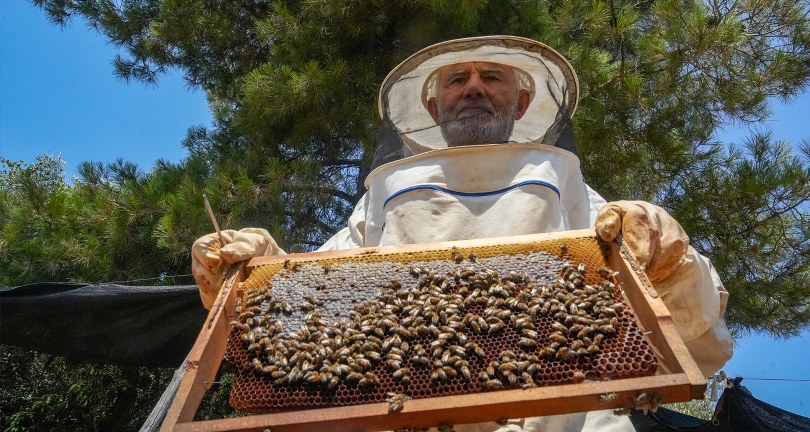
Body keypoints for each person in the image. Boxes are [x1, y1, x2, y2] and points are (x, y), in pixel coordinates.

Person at [192, 36, 733, 432]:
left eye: (492, 76)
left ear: (522, 102)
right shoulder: (385, 194)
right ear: (434, 106)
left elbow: (694, 329)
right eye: (457, 79)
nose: (474, 87)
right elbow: (317, 295)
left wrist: (668, 261)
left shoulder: (567, 186)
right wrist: (259, 277)